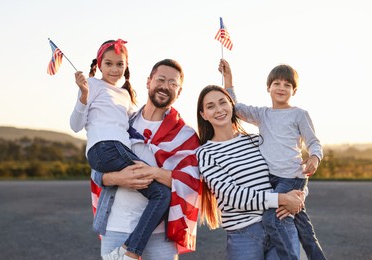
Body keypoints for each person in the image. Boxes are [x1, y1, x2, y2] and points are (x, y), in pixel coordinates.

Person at [70, 40, 173, 260]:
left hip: (115, 148)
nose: (115, 69)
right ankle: (131, 252)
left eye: (120, 64)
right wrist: (83, 96)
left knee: (159, 194)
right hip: (106, 147)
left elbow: (134, 123)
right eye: (108, 63)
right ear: (99, 65)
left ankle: (130, 251)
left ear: (126, 66)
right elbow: (75, 125)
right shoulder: (92, 85)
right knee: (162, 194)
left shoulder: (125, 95)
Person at [90, 59, 201, 260]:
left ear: (179, 92)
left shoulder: (185, 136)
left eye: (173, 83)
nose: (165, 86)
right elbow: (97, 169)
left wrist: (155, 173)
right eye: (161, 79)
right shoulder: (122, 122)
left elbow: (193, 182)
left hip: (160, 233)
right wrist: (117, 179)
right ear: (148, 81)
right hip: (116, 225)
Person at [219, 59, 326, 260]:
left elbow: (314, 142)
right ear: (268, 87)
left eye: (287, 85)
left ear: (294, 90)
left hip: (291, 177)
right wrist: (229, 79)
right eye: (277, 83)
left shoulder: (299, 115)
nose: (281, 88)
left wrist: (314, 157)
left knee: (272, 218)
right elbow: (235, 108)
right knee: (303, 227)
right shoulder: (263, 114)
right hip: (271, 179)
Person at [196, 85, 305, 260]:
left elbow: (287, 171)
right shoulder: (206, 153)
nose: (219, 110)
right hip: (244, 235)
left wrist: (299, 196)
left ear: (232, 105)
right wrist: (283, 199)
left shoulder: (256, 140)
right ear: (203, 115)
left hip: (280, 223)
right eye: (210, 106)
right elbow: (232, 196)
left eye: (223, 102)